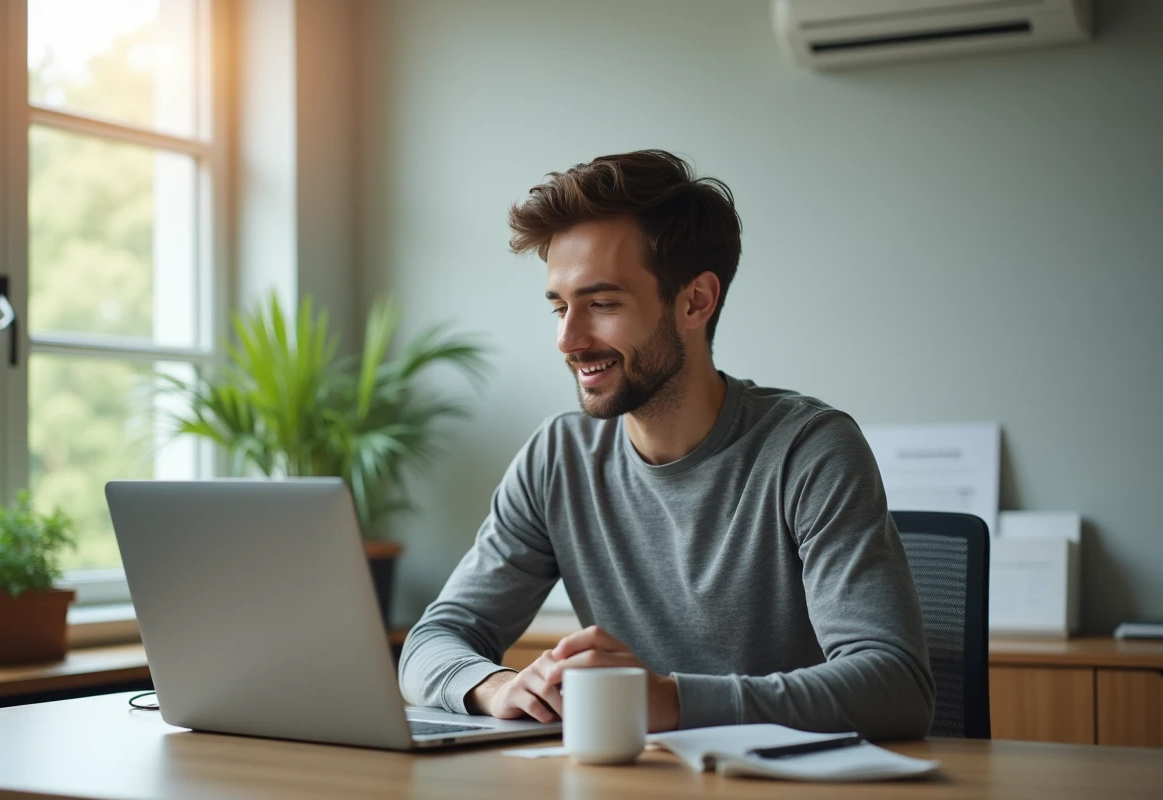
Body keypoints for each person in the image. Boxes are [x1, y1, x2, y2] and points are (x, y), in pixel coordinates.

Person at [397, 150, 934, 738]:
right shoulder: (558, 457)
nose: (567, 339)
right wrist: (494, 686)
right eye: (559, 306)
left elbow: (894, 687)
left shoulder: (809, 449)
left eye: (601, 304)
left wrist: (670, 702)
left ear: (695, 301)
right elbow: (432, 640)